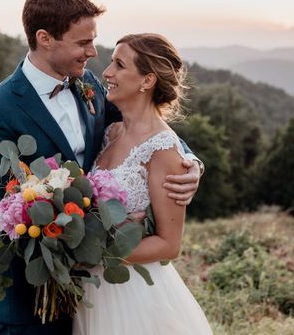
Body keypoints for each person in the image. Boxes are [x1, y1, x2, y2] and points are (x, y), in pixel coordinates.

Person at [0, 0, 202, 335]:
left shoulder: (88, 85)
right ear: (45, 38)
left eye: (93, 41)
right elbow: (7, 208)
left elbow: (146, 132)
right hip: (32, 293)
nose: (92, 53)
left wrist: (190, 161)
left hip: (97, 290)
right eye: (82, 43)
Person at [73, 33, 212, 334]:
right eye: (111, 63)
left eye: (119, 65)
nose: (107, 73)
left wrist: (94, 255)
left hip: (134, 294)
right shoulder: (110, 132)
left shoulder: (163, 149)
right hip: (92, 293)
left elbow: (169, 244)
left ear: (147, 81)